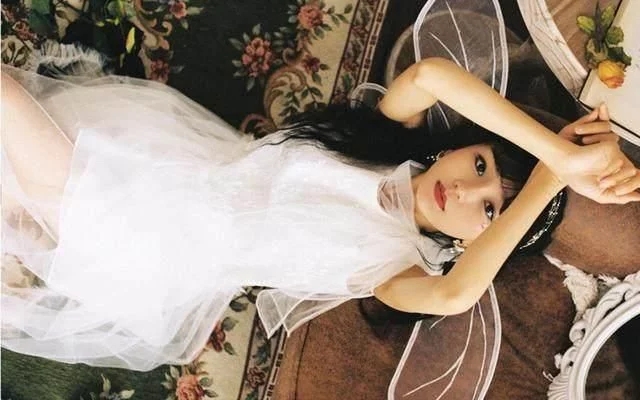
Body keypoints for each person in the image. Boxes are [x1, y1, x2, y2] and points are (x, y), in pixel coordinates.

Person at [2, 57, 639, 372]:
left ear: (482, 240)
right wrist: (556, 150)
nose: (465, 190)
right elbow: (429, 74)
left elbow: (454, 295)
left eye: (490, 209)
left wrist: (554, 175)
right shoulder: (380, 138)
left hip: (141, 237)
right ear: (460, 147)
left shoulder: (388, 269)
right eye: (479, 165)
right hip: (161, 158)